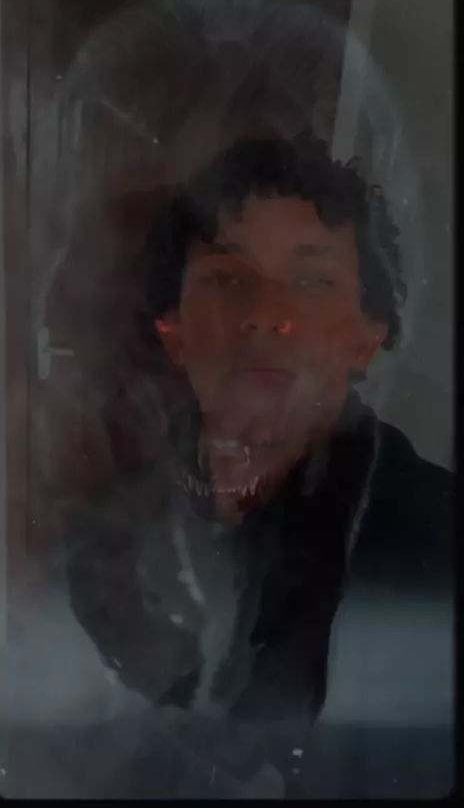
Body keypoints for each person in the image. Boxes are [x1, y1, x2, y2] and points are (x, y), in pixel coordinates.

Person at [65, 132, 453, 798]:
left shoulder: (437, 542)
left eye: (311, 281)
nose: (267, 316)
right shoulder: (101, 545)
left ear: (370, 333)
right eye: (226, 279)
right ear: (174, 329)